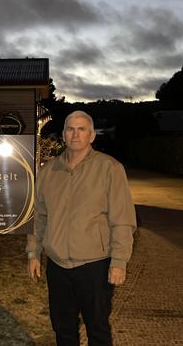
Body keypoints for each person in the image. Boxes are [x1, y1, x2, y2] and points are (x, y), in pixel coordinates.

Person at [26, 110, 137, 346]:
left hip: (94, 266)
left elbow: (122, 219)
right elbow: (39, 216)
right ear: (63, 135)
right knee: (62, 328)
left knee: (97, 328)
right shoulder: (48, 171)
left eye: (82, 129)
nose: (75, 134)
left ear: (92, 136)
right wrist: (33, 253)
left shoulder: (110, 168)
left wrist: (119, 262)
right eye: (70, 129)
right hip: (57, 267)